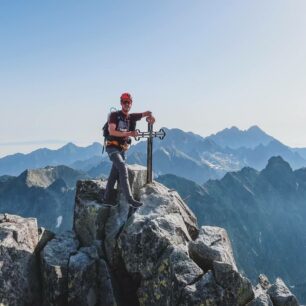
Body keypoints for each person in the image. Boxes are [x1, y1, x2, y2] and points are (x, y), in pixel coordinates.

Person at [103, 92, 155, 208]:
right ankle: (130, 199)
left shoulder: (131, 117)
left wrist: (151, 117)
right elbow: (112, 131)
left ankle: (106, 198)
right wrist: (129, 133)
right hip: (112, 147)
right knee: (122, 166)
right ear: (121, 103)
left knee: (114, 174)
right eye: (124, 102)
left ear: (131, 104)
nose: (126, 104)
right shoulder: (114, 115)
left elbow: (147, 113)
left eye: (128, 102)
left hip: (122, 150)